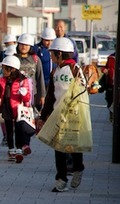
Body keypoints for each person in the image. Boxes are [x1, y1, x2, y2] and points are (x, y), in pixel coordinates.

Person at [38, 37, 85, 192]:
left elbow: (83, 91)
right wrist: (43, 115)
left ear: (59, 53)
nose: (50, 56)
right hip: (58, 115)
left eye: (52, 53)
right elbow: (51, 95)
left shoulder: (75, 69)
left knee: (72, 147)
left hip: (73, 115)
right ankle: (61, 179)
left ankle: (78, 168)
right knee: (58, 148)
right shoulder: (55, 71)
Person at [0, 55, 31, 163]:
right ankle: (11, 149)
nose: (3, 71)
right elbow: (0, 93)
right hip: (6, 108)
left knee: (19, 130)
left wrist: (24, 94)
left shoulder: (23, 81)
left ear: (12, 69)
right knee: (9, 130)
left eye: (5, 68)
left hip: (18, 109)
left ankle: (19, 149)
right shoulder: (2, 80)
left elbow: (27, 97)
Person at [16, 33, 45, 156]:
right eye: (22, 44)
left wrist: (42, 95)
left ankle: (25, 144)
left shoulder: (35, 59)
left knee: (28, 121)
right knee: (17, 120)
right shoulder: (13, 58)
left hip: (30, 97)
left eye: (27, 45)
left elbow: (40, 78)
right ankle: (19, 146)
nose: (24, 46)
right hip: (15, 95)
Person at [101, 50, 115, 122]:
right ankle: (111, 114)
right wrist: (104, 70)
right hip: (110, 82)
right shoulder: (111, 58)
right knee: (109, 99)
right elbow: (105, 67)